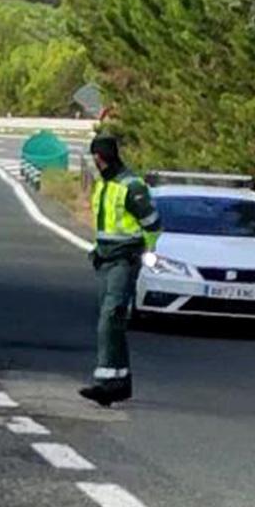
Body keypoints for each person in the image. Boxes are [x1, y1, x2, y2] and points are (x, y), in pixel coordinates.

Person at [80, 135, 160, 406]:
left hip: (124, 260)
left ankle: (105, 383)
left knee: (109, 317)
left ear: (100, 158)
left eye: (96, 158)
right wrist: (96, 248)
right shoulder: (105, 185)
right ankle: (120, 382)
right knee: (112, 322)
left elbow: (153, 225)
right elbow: (105, 226)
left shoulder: (130, 186)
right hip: (105, 259)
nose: (95, 163)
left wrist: (141, 253)